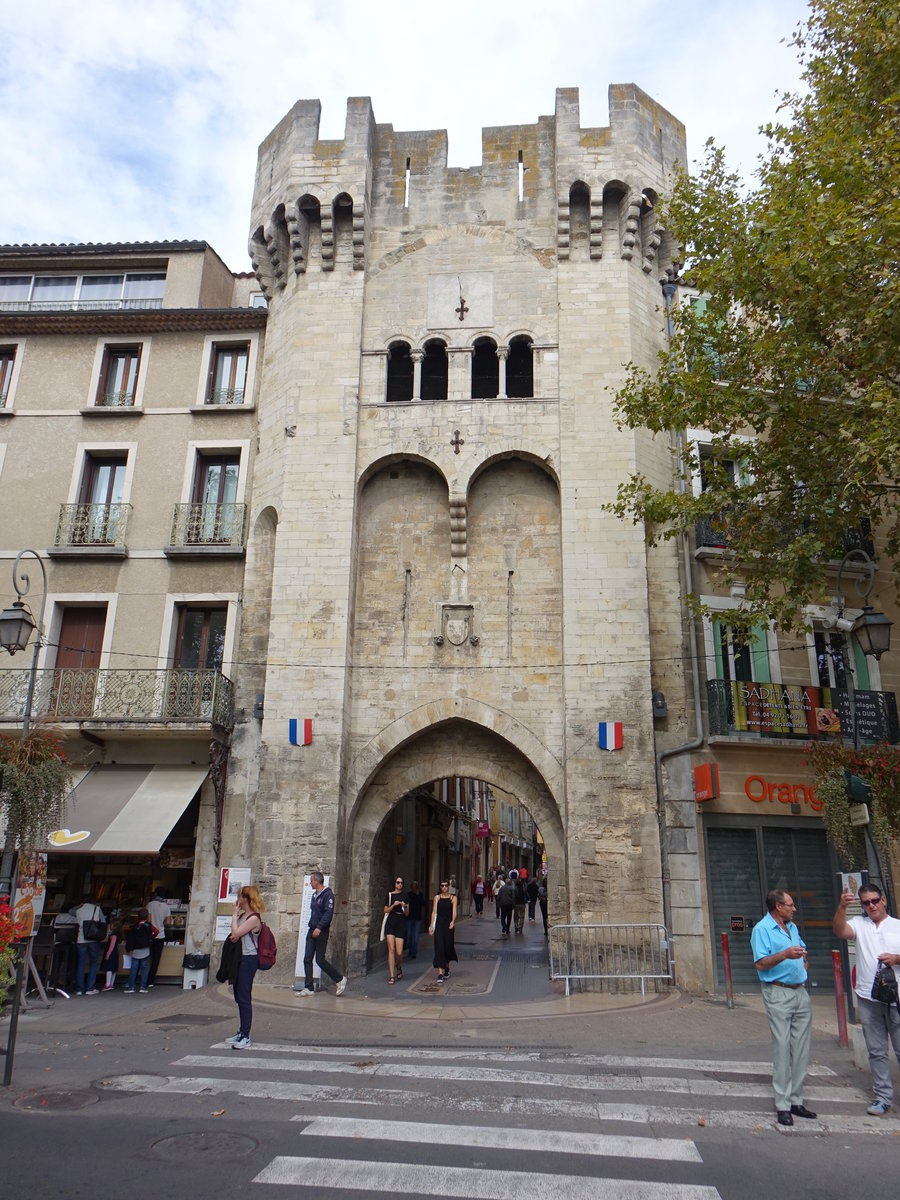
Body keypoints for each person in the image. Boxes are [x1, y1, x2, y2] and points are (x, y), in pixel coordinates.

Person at [749, 888, 816, 1126]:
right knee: (782, 1045)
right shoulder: (762, 930)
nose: (794, 908)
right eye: (790, 904)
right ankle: (782, 1104)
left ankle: (796, 1100)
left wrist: (804, 964)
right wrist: (785, 954)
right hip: (777, 992)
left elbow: (803, 950)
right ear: (778, 907)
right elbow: (760, 963)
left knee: (801, 1048)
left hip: (799, 992)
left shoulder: (793, 927)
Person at [832, 882, 900, 1115]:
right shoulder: (859, 924)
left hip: (897, 998)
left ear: (883, 900)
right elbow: (839, 931)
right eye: (865, 902)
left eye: (874, 900)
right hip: (868, 997)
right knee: (876, 1050)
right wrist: (842, 906)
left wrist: (896, 959)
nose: (871, 905)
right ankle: (883, 1097)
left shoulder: (897, 926)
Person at [295, 870, 347, 997]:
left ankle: (340, 979)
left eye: (311, 880)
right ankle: (309, 987)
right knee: (307, 959)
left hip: (321, 931)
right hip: (311, 929)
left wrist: (319, 927)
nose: (310, 883)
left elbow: (328, 914)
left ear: (317, 881)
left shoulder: (328, 896)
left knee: (320, 960)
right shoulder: (314, 895)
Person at [225, 885, 263, 1049]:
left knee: (244, 997)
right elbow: (235, 934)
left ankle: (246, 1035)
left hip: (249, 960)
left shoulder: (253, 918)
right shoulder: (243, 916)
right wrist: (236, 919)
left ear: (246, 899)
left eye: (240, 896)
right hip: (240, 959)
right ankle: (241, 1031)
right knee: (239, 996)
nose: (237, 900)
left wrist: (233, 915)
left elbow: (235, 934)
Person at [72, 895, 106, 995]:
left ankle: (79, 989)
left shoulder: (79, 910)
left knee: (81, 964)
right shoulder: (97, 908)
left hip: (81, 939)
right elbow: (103, 922)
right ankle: (90, 988)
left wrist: (79, 906)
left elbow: (70, 912)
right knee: (93, 963)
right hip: (93, 939)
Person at [429, 878, 458, 983]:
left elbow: (454, 911)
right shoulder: (437, 898)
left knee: (447, 947)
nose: (444, 887)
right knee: (439, 946)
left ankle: (447, 967)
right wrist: (431, 925)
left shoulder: (453, 898)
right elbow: (433, 912)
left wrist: (453, 921)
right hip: (439, 925)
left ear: (448, 886)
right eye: (442, 885)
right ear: (440, 887)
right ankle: (440, 973)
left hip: (448, 924)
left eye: (446, 885)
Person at [124, 908, 157, 994]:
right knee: (144, 969)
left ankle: (131, 987)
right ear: (147, 916)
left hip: (136, 950)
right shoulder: (148, 925)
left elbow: (130, 939)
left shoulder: (135, 926)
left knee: (134, 969)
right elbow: (155, 932)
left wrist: (128, 949)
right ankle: (143, 987)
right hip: (145, 950)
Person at [383, 875, 408, 984]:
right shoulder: (389, 895)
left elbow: (407, 914)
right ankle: (392, 976)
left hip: (401, 922)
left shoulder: (405, 896)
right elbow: (385, 911)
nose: (400, 884)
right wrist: (393, 905)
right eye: (398, 882)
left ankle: (399, 966)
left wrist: (405, 906)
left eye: (401, 883)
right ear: (394, 884)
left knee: (399, 952)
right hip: (391, 922)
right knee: (391, 950)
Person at [145, 886, 172, 986]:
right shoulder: (166, 907)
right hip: (160, 935)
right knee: (156, 960)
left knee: (145, 957)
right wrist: (163, 922)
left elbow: (148, 921)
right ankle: (150, 981)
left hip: (149, 935)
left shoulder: (150, 905)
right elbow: (168, 923)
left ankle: (142, 979)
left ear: (155, 894)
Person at [405, 881, 425, 959]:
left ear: (417, 887)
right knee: (409, 935)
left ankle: (414, 952)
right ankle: (410, 950)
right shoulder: (408, 895)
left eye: (415, 886)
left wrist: (418, 896)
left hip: (417, 918)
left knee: (416, 936)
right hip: (409, 918)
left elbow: (423, 903)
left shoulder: (420, 894)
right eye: (413, 886)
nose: (414, 888)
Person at [101, 918, 122, 991]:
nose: (110, 926)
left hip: (111, 953)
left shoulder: (113, 935)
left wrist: (108, 954)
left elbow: (111, 946)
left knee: (109, 968)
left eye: (111, 924)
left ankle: (107, 984)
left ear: (114, 926)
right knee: (114, 969)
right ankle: (111, 984)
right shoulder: (118, 934)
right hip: (115, 952)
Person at [512, 869, 527, 935]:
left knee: (516, 916)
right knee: (522, 916)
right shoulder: (523, 889)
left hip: (516, 904)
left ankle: (516, 926)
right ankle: (520, 928)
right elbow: (526, 895)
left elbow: (513, 897)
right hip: (522, 904)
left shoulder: (515, 889)